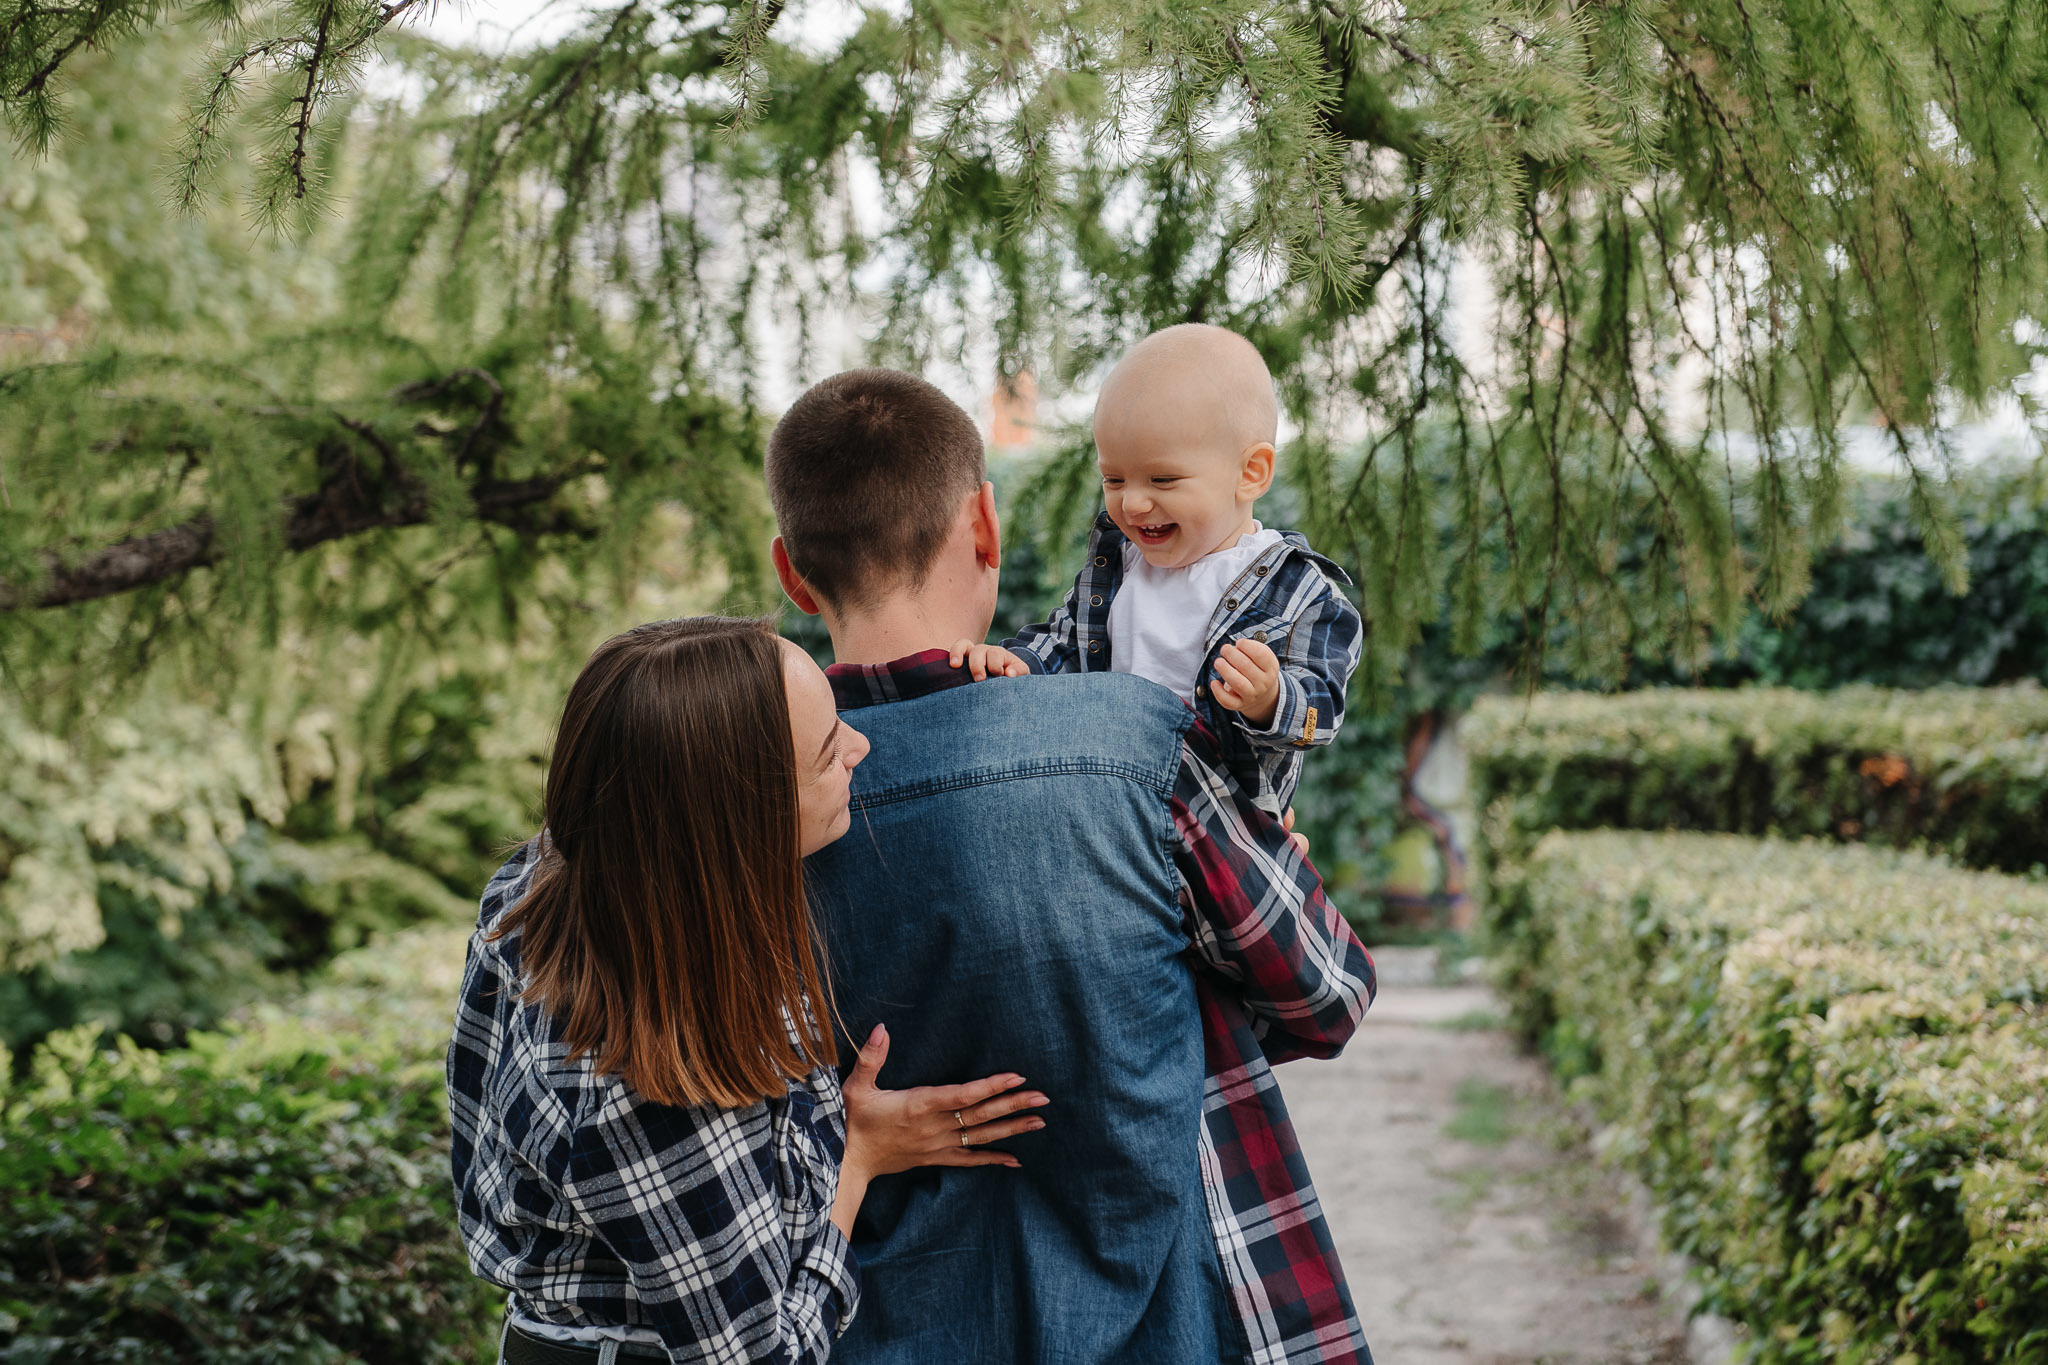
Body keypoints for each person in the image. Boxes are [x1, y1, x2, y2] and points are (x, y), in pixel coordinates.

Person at [767, 369, 1377, 1364]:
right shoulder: (1136, 744)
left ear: (792, 575)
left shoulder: (723, 803)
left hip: (869, 1330)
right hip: (1159, 1326)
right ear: (984, 531)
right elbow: (1326, 998)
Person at [447, 616, 1052, 1364]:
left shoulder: (540, 882)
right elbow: (766, 1356)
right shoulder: (653, 1083)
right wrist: (857, 1159)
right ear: (743, 818)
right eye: (830, 752)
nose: (861, 748)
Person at [952, 323, 1363, 819]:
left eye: (1163, 479)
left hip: (1220, 828)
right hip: (1109, 807)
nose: (1133, 501)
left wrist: (1271, 697)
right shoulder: (1117, 570)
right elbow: (1063, 645)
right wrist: (1017, 665)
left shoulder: (1295, 591)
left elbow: (1321, 712)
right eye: (1114, 478)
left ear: (1250, 472)